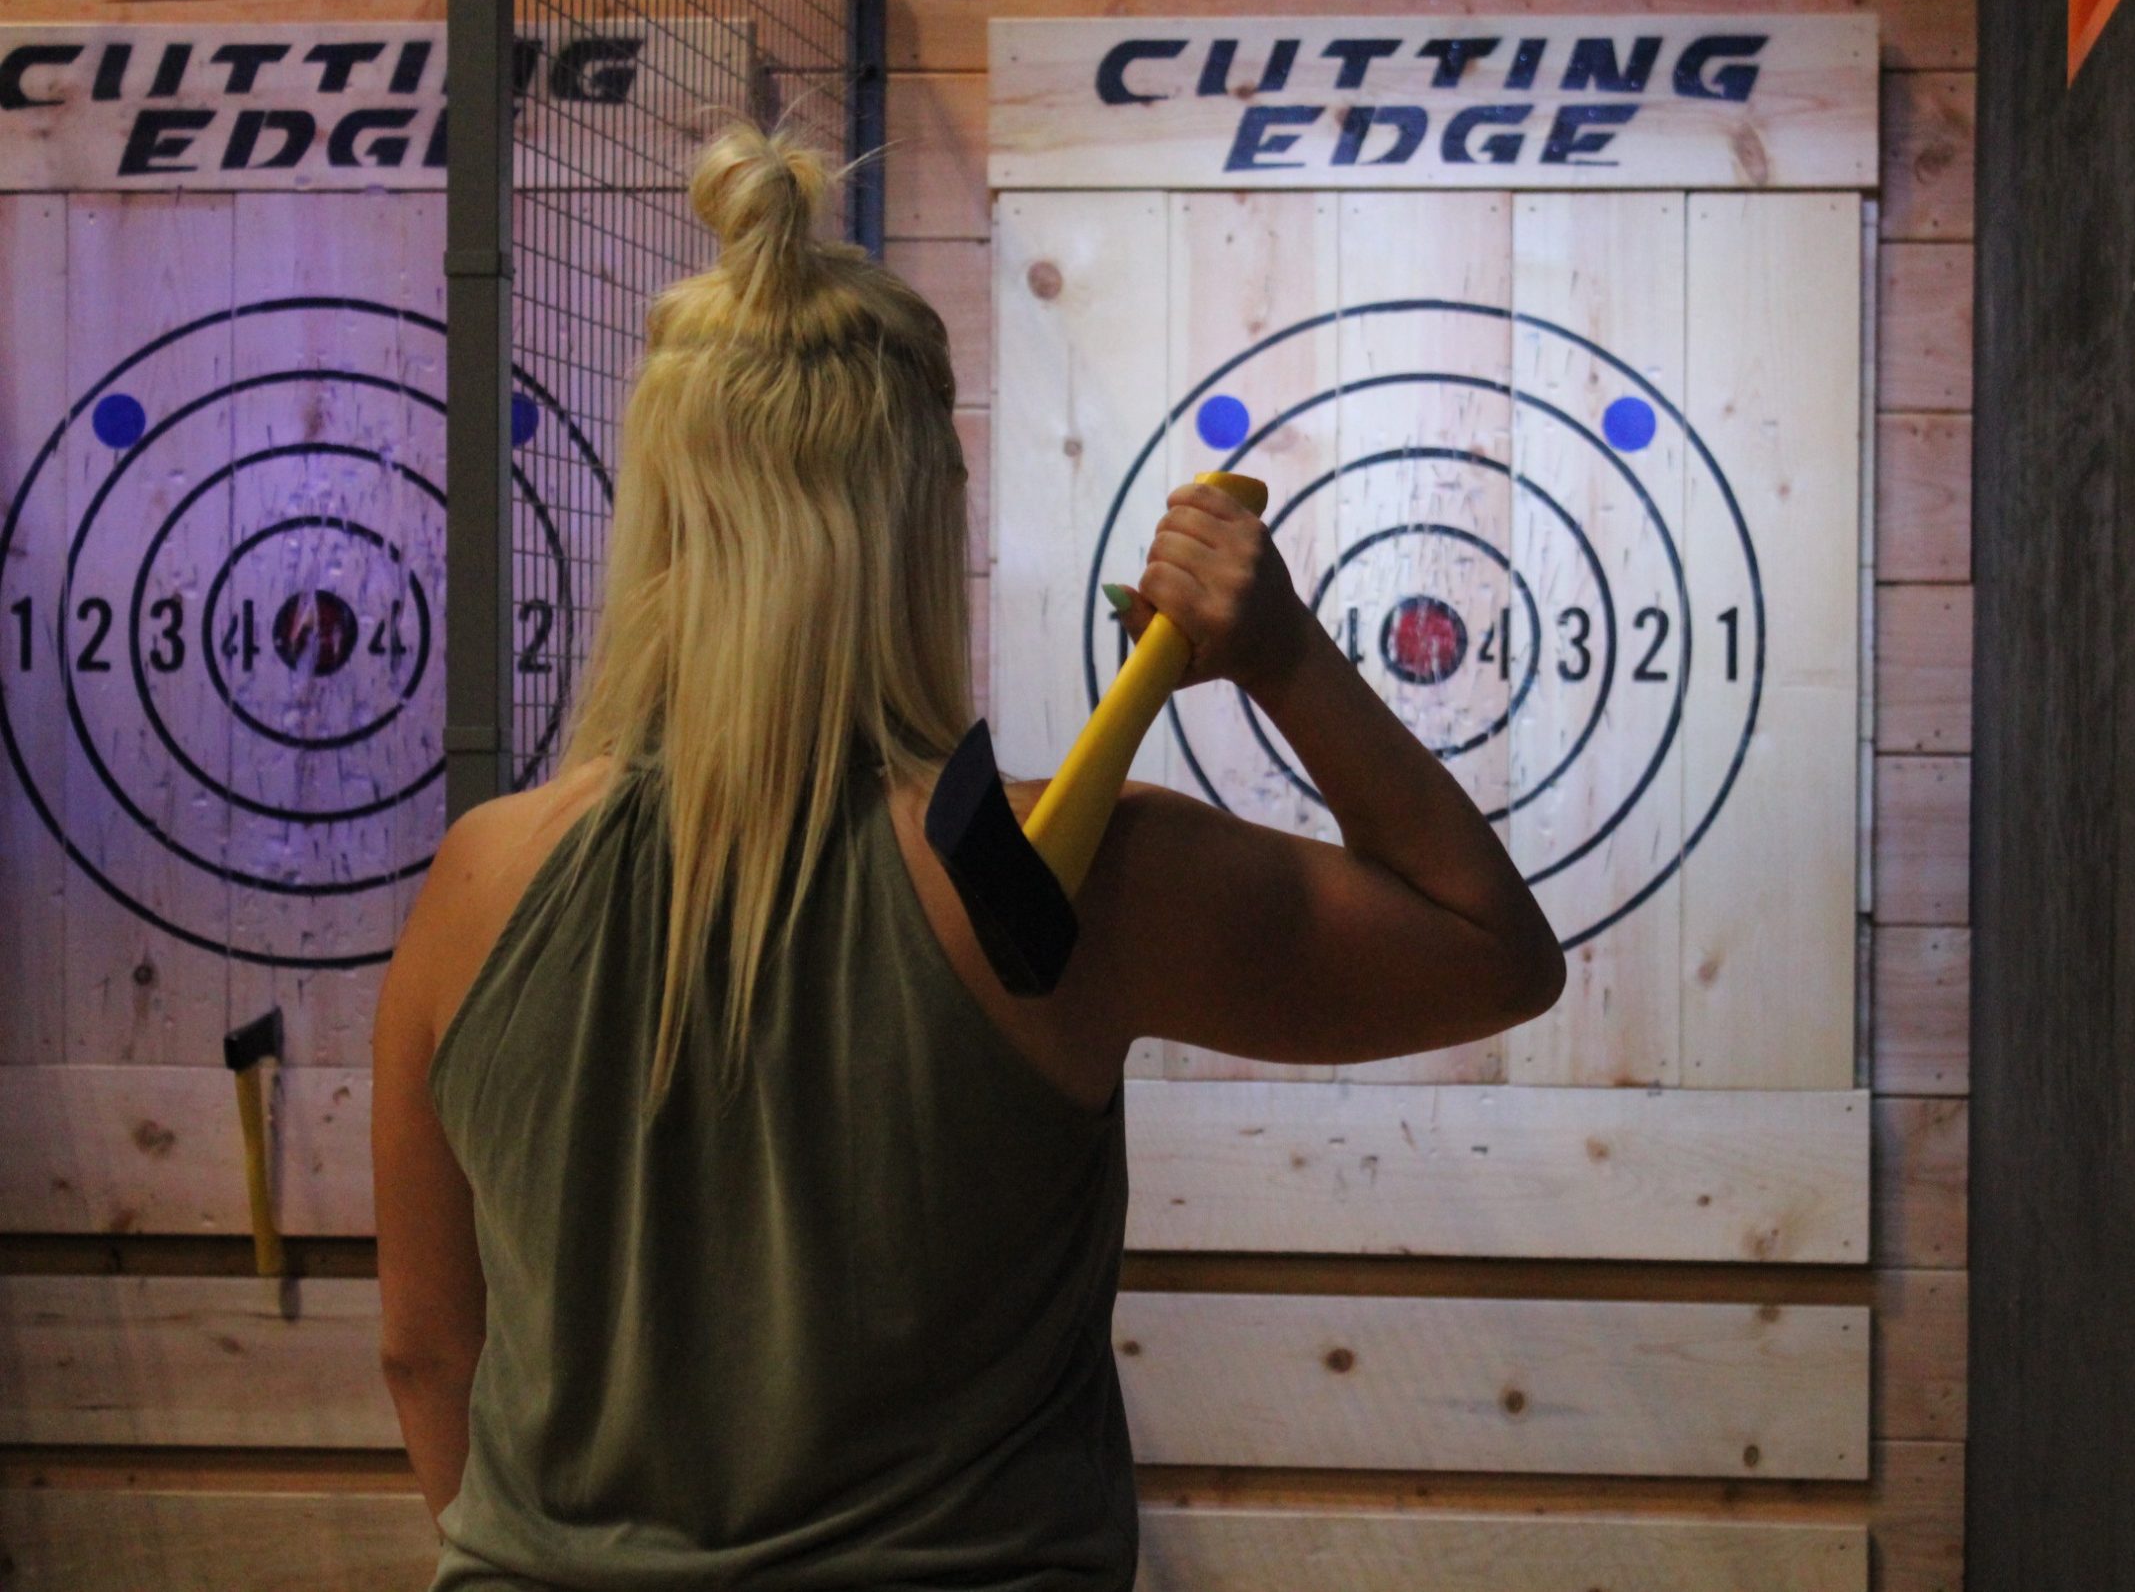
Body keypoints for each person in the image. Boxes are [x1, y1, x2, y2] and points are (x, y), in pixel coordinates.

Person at [371, 122, 1564, 1591]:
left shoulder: (478, 885)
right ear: (924, 516)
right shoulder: (1069, 886)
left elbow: (428, 1354)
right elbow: (1489, 950)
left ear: (666, 517)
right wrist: (1286, 658)